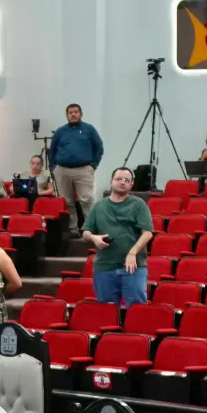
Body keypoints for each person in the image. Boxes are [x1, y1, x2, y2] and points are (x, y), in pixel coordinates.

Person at [82, 167, 154, 307]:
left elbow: (148, 233)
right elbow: (85, 232)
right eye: (119, 179)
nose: (122, 182)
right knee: (106, 309)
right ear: (111, 181)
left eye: (127, 180)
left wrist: (132, 253)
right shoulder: (99, 206)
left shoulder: (138, 204)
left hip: (133, 267)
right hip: (105, 266)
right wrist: (94, 238)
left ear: (131, 185)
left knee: (136, 308)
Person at [49, 103, 103, 237]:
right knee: (67, 202)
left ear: (81, 114)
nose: (73, 114)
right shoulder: (60, 131)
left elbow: (99, 147)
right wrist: (54, 168)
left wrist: (93, 165)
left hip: (84, 170)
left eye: (76, 112)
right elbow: (52, 150)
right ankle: (73, 229)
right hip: (62, 170)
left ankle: (90, 228)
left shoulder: (89, 129)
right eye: (70, 112)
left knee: (87, 200)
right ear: (67, 115)